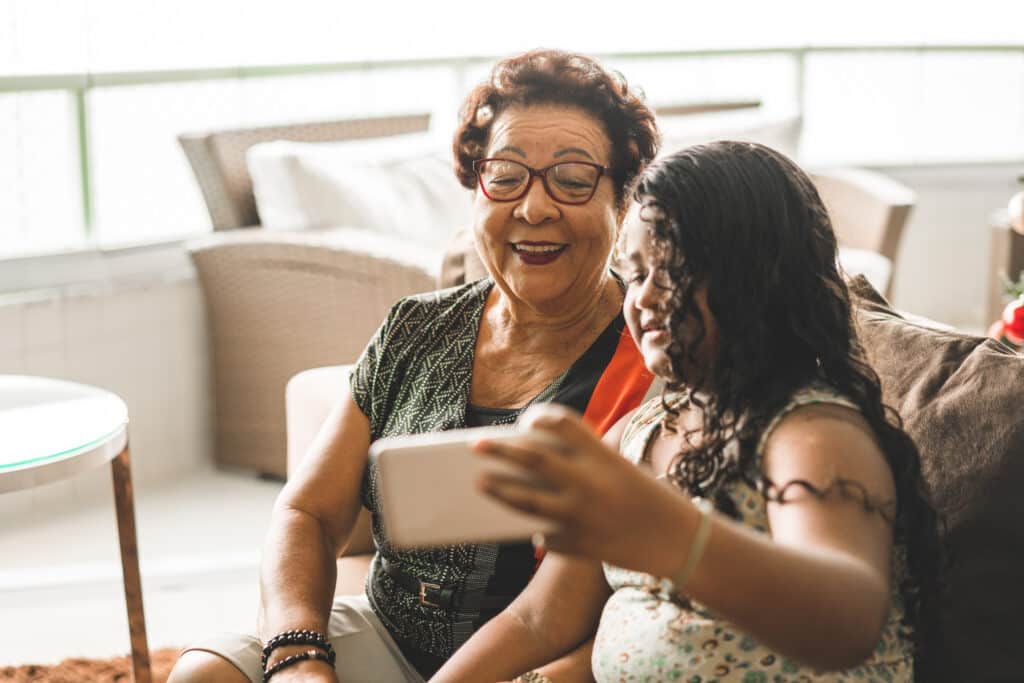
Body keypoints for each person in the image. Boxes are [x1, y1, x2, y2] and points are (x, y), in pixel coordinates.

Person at [167, 48, 660, 683]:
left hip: (548, 662)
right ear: (475, 188)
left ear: (622, 203)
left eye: (572, 179)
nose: (534, 209)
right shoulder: (415, 327)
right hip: (389, 635)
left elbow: (633, 602)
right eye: (506, 175)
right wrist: (298, 655)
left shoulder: (654, 353)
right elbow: (309, 514)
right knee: (203, 675)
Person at [432, 142, 946, 682]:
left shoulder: (808, 432)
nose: (644, 298)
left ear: (758, 275)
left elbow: (845, 620)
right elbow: (539, 619)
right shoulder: (639, 435)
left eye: (671, 269)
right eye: (633, 275)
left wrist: (667, 531)